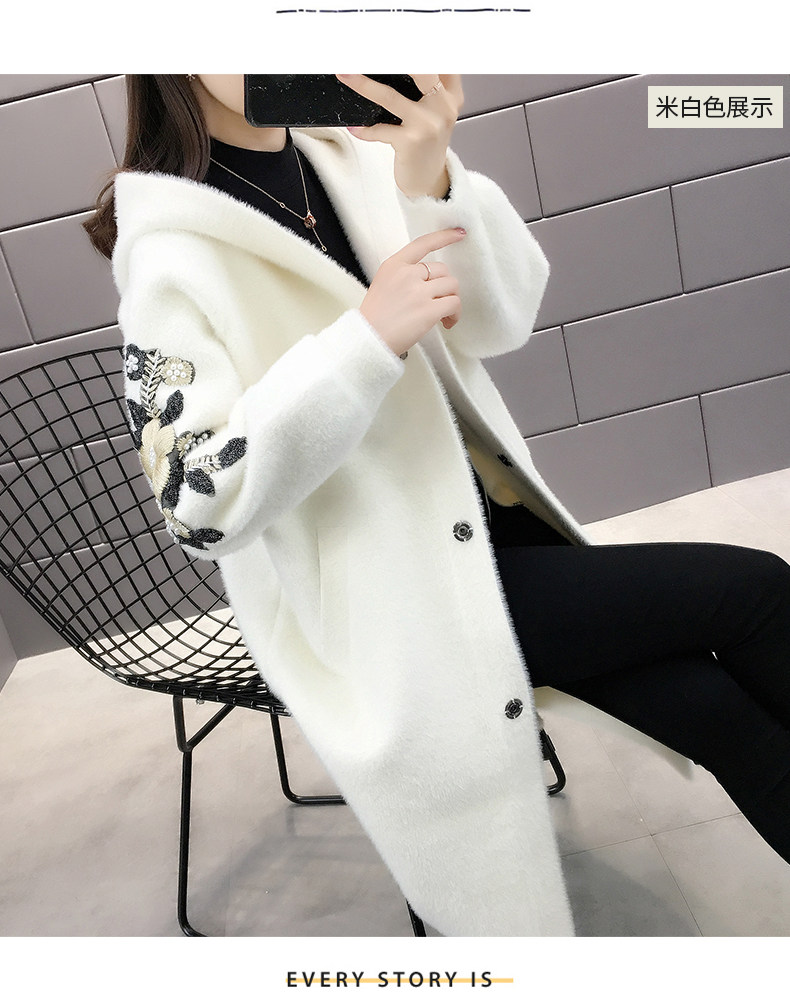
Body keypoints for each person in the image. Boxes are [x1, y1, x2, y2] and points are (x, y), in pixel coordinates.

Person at [85, 74, 790, 937]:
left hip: (494, 535)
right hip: (398, 598)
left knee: (713, 708)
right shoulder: (169, 247)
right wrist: (364, 341)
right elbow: (198, 504)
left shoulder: (349, 155)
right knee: (757, 593)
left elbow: (503, 321)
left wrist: (434, 184)